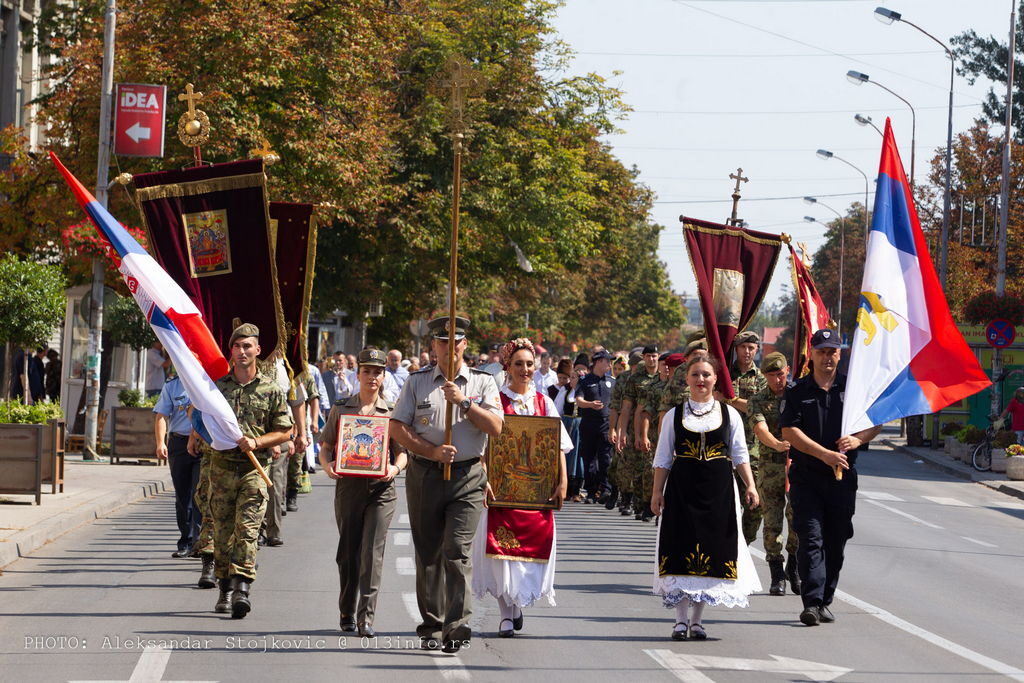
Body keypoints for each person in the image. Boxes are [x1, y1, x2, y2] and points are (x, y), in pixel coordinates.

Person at [389, 316, 503, 653]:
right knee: (428, 555)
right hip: (425, 474)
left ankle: (457, 625)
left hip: (467, 477)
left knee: (457, 551)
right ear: (433, 345)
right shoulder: (417, 382)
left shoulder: (482, 383)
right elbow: (397, 427)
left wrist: (465, 403)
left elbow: (496, 428)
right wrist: (432, 451)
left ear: (465, 345)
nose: (449, 347)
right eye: (442, 341)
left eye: (456, 341)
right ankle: (431, 624)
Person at [651, 356, 761, 641]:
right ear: (686, 379)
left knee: (712, 551)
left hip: (718, 490)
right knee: (680, 548)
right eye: (696, 374)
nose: (701, 380)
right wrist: (656, 493)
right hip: (682, 490)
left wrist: (750, 485)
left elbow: (740, 454)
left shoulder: (730, 414)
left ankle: (697, 621)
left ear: (715, 380)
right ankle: (679, 621)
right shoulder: (674, 415)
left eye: (706, 375)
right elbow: (662, 457)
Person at [780, 329, 882, 627]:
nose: (827, 357)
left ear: (840, 354)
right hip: (807, 479)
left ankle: (825, 599)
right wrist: (823, 454)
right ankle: (811, 602)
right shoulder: (797, 390)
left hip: (842, 480)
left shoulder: (852, 389)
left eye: (832, 351)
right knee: (811, 539)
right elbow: (789, 432)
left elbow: (875, 422)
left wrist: (858, 440)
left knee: (836, 540)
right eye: (822, 351)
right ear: (811, 354)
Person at [472, 339, 569, 637]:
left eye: (529, 364)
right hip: (502, 489)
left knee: (528, 551)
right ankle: (505, 613)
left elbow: (558, 447)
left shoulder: (544, 402)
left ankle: (517, 605)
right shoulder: (495, 401)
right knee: (500, 551)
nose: (525, 369)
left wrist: (562, 481)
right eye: (518, 364)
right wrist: (485, 477)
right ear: (507, 367)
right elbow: (482, 447)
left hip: (536, 492)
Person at [201, 323, 293, 619]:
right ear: (231, 350)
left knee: (248, 530)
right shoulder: (217, 389)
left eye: (247, 346)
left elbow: (284, 431)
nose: (242, 351)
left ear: (258, 350)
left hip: (255, 471)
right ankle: (225, 588)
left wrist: (257, 441)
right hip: (222, 469)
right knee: (223, 531)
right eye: (237, 346)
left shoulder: (271, 390)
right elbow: (202, 421)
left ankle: (242, 588)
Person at [319, 348, 408, 638]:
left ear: (383, 377)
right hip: (349, 488)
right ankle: (346, 609)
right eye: (367, 371)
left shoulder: (392, 412)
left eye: (377, 372)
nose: (372, 376)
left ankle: (365, 617)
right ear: (358, 375)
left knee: (372, 553)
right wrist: (327, 466)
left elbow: (402, 453)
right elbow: (327, 447)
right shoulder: (342, 408)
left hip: (381, 489)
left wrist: (394, 470)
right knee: (348, 554)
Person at [747, 352, 800, 595]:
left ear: (787, 370)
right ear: (764, 375)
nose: (777, 380)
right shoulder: (757, 400)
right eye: (771, 375)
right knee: (772, 521)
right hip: (771, 467)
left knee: (798, 518)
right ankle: (776, 575)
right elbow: (760, 428)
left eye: (780, 374)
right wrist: (777, 444)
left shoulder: (798, 395)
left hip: (797, 465)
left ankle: (794, 565)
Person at [714, 331, 768, 546]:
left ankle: (744, 542)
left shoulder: (762, 379)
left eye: (751, 348)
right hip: (723, 446)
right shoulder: (724, 376)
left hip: (753, 449)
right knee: (724, 501)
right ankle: (725, 543)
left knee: (755, 504)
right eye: (743, 347)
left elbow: (759, 408)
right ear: (735, 349)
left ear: (757, 350)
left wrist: (731, 399)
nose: (747, 352)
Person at [154, 371, 200, 558]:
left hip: (203, 444)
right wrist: (160, 443)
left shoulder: (208, 382)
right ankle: (186, 541)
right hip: (179, 444)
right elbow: (161, 416)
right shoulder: (172, 385)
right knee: (183, 496)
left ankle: (200, 542)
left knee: (200, 494)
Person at [614, 346, 660, 516]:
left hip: (657, 429)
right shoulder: (635, 379)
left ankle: (645, 505)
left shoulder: (664, 378)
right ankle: (629, 499)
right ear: (644, 357)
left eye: (654, 356)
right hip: (636, 428)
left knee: (650, 467)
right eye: (648, 356)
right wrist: (622, 431)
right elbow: (626, 408)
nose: (652, 360)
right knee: (632, 466)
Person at [576, 350, 615, 504]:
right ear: (598, 362)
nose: (610, 364)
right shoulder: (585, 380)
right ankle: (591, 491)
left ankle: (605, 489)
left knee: (606, 458)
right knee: (589, 459)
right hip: (588, 425)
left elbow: (616, 406)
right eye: (607, 361)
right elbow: (578, 400)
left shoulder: (612, 382)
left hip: (606, 425)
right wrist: (590, 405)